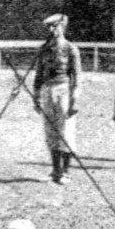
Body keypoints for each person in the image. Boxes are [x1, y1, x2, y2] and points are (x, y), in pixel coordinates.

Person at [33, 14, 81, 184]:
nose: (52, 30)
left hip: (64, 90)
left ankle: (65, 172)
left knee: (65, 131)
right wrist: (36, 97)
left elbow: (77, 77)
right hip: (47, 90)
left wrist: (75, 100)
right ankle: (55, 170)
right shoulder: (44, 49)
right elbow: (38, 74)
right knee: (50, 131)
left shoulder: (70, 48)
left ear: (63, 27)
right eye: (49, 27)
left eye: (55, 26)